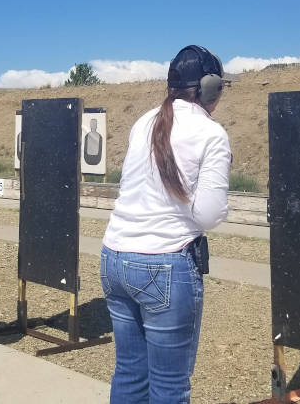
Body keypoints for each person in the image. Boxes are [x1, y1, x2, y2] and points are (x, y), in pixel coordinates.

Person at [99, 45, 231, 403]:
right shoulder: (211, 133)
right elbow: (208, 215)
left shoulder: (145, 121)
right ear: (210, 88)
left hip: (114, 257)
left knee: (129, 371)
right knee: (169, 385)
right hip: (165, 263)